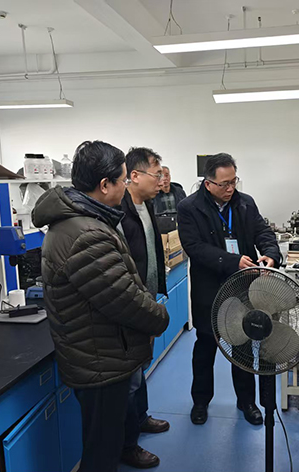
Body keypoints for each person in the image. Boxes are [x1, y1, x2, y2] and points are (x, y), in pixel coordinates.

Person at [32, 141, 169, 472]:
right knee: (101, 451)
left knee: (107, 439)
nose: (126, 186)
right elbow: (123, 298)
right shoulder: (85, 233)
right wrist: (159, 316)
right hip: (99, 358)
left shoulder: (86, 221)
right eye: (122, 180)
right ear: (105, 184)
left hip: (101, 351)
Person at [177, 153, 281, 426]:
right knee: (205, 346)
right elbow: (194, 247)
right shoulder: (189, 208)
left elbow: (263, 232)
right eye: (224, 184)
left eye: (234, 181)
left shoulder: (245, 203)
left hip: (242, 289)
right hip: (208, 290)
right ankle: (201, 401)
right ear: (208, 183)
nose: (230, 188)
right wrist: (232, 261)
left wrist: (270, 254)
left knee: (243, 345)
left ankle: (247, 401)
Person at [120, 147, 170, 439]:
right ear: (135, 175)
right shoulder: (120, 212)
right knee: (131, 375)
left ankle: (141, 417)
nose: (161, 181)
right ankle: (129, 442)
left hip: (147, 298)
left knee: (142, 363)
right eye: (157, 174)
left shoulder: (147, 205)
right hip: (131, 303)